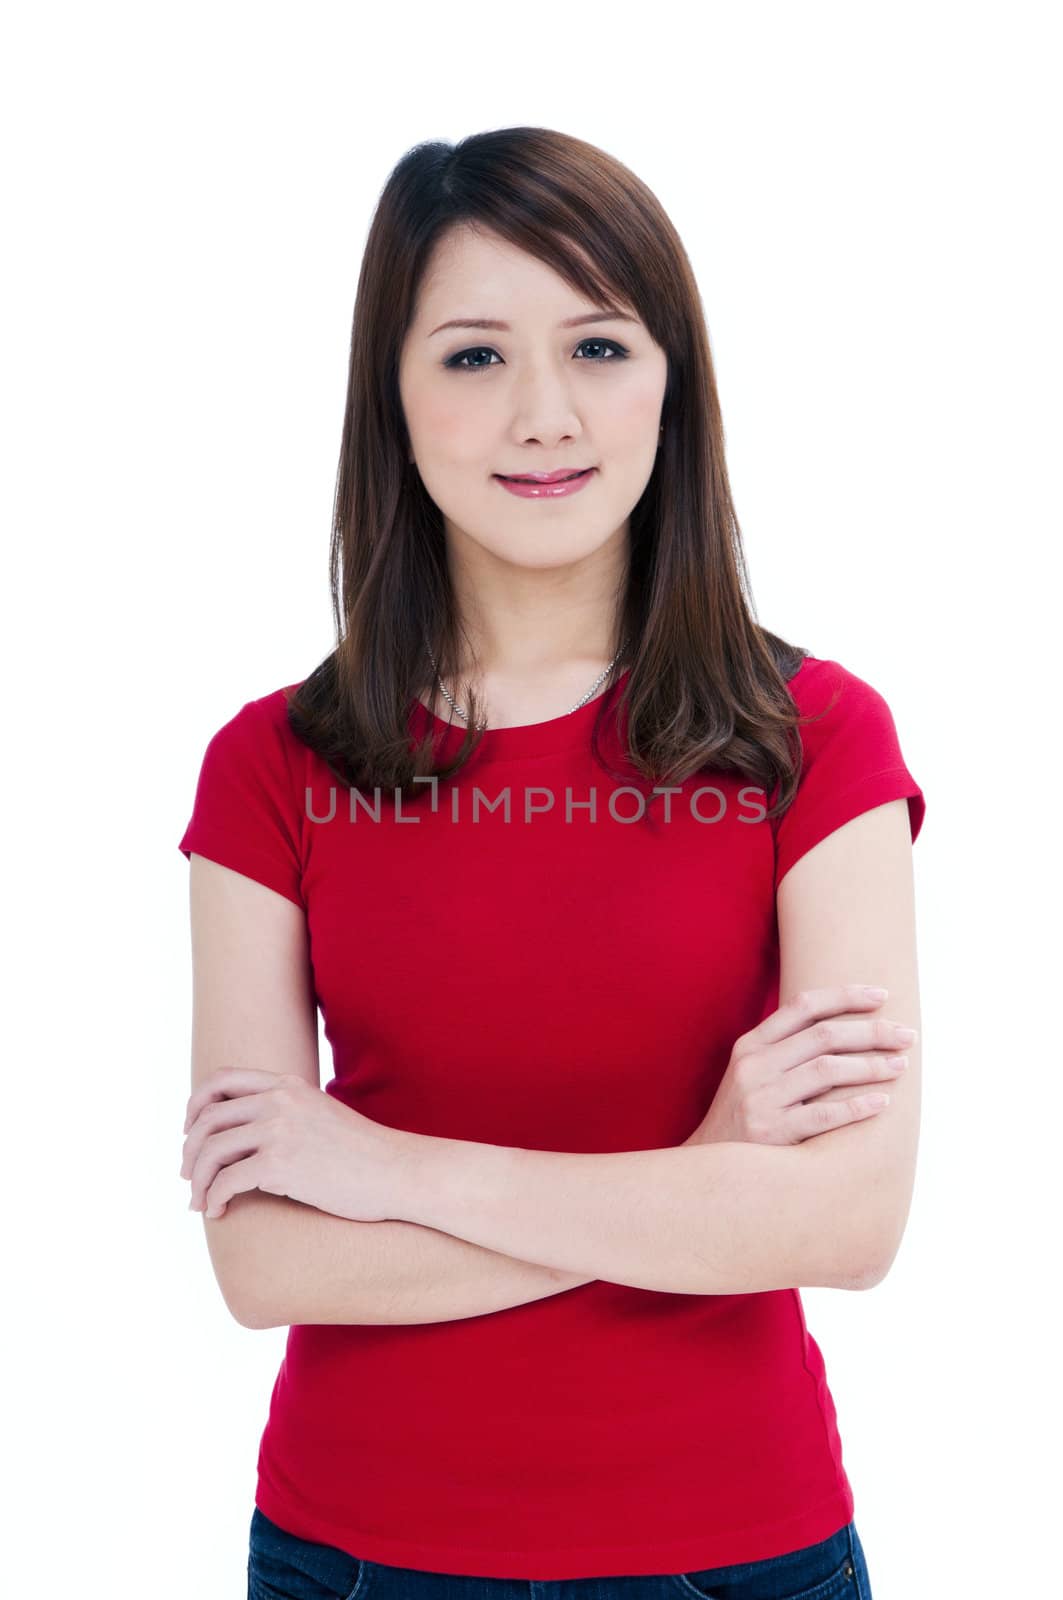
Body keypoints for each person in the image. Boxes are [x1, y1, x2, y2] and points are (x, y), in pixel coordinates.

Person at [178, 126, 924, 1600]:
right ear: (390, 399)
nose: (542, 414)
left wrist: (383, 1173)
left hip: (739, 1553)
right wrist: (705, 1178)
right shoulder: (268, 767)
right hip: (356, 1557)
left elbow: (845, 1223)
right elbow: (268, 1265)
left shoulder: (814, 740)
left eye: (597, 345)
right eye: (470, 357)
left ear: (672, 385)